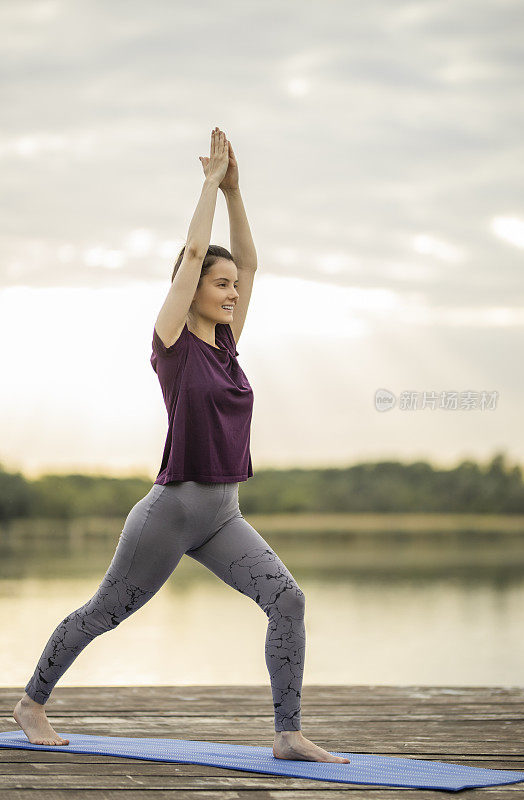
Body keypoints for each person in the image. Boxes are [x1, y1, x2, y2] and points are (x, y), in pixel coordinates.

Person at [13, 127, 349, 764]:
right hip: (169, 515)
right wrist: (206, 186)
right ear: (192, 287)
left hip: (223, 515)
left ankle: (287, 735)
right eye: (219, 285)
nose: (232, 292)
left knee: (288, 599)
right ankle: (31, 702)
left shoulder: (226, 347)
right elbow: (196, 250)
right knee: (106, 612)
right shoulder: (174, 345)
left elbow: (249, 262)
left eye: (232, 288)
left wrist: (236, 190)